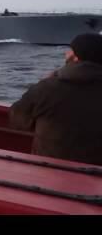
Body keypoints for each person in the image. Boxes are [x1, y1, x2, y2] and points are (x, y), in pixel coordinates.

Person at [9, 33, 102, 165]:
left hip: (50, 173)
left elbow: (17, 121)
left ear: (74, 56)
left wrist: (44, 83)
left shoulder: (46, 88)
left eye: (70, 50)